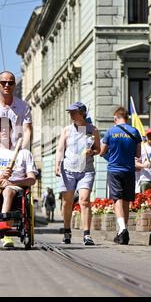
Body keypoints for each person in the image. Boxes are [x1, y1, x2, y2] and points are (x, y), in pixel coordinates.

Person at [0, 117, 38, 247]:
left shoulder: (24, 153)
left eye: (6, 127)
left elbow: (32, 179)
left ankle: (3, 231)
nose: (3, 130)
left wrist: (12, 182)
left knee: (8, 191)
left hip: (15, 187)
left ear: (11, 130)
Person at [55, 102, 101, 246]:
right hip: (68, 170)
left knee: (84, 200)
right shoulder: (67, 130)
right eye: (70, 112)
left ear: (82, 113)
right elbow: (60, 149)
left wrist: (92, 152)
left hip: (86, 170)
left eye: (74, 112)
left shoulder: (92, 129)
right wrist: (57, 164)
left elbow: (98, 149)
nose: (71, 115)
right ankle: (67, 231)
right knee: (67, 202)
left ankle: (87, 235)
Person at [100, 106, 141, 245]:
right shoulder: (135, 131)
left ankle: (122, 228)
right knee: (126, 200)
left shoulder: (110, 132)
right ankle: (122, 231)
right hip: (129, 170)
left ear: (115, 118)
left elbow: (102, 151)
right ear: (127, 118)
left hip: (114, 170)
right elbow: (138, 154)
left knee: (117, 198)